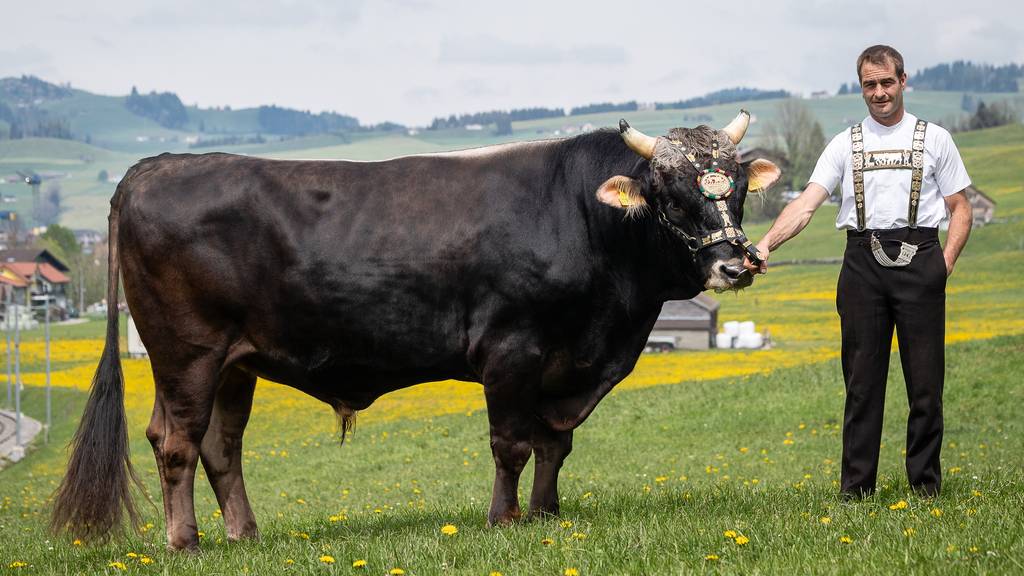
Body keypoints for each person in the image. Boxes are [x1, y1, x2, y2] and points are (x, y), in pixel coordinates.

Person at [744, 45, 972, 498]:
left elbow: (959, 207)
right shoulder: (844, 144)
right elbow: (806, 204)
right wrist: (766, 243)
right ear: (861, 87)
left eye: (887, 82)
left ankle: (925, 487)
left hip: (922, 256)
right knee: (862, 386)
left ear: (903, 81)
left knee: (925, 386)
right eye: (870, 84)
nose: (879, 92)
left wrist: (941, 265)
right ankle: (857, 490)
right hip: (861, 264)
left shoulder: (936, 138)